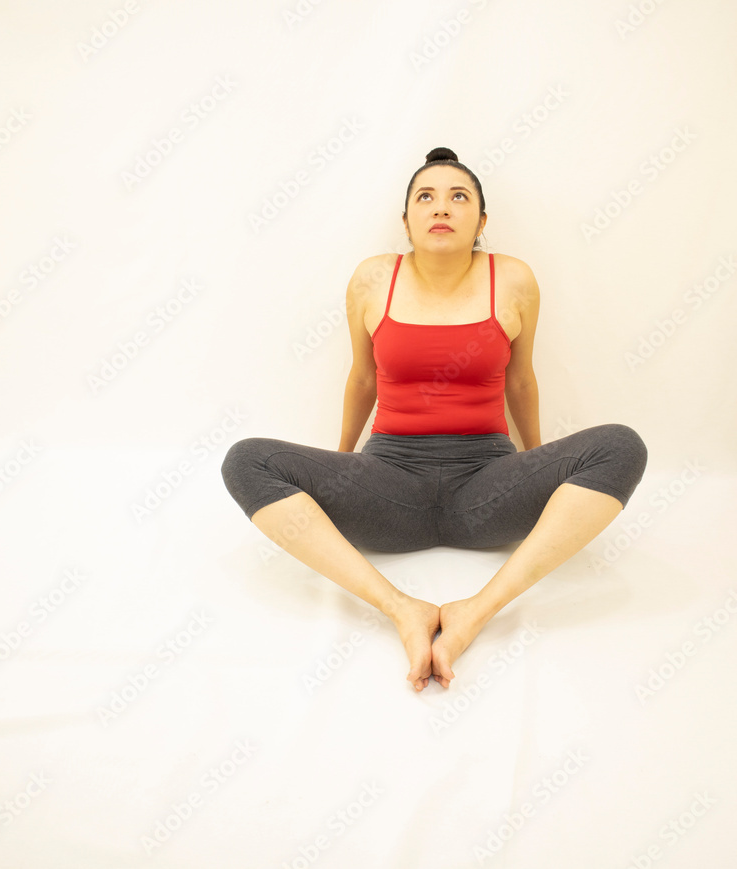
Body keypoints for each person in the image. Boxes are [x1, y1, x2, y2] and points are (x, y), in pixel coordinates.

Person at [220, 146, 648, 692]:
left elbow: (521, 380)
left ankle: (475, 611)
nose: (441, 207)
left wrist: (538, 468)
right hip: (389, 488)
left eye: (458, 196)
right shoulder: (373, 280)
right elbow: (362, 380)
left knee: (622, 445)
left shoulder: (513, 279)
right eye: (425, 196)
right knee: (247, 461)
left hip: (487, 490)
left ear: (481, 221)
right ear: (406, 221)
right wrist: (343, 462)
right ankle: (401, 609)